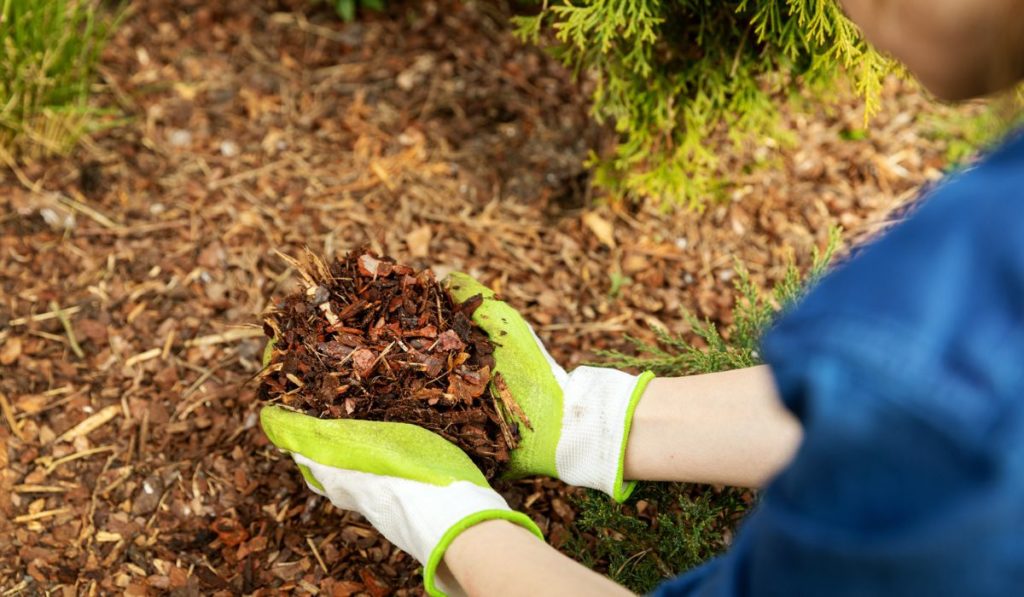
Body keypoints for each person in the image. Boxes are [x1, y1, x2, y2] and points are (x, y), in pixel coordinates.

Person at [259, 1, 1024, 595]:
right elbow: (920, 415)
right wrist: (581, 418)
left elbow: (944, 411)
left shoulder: (950, 301)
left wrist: (442, 519)